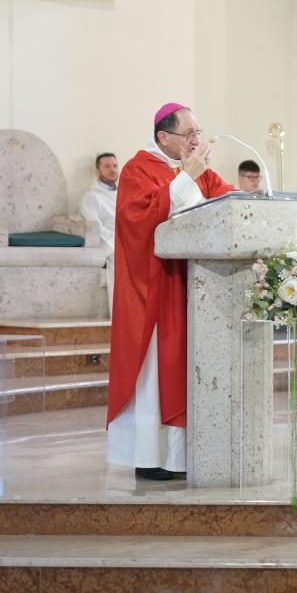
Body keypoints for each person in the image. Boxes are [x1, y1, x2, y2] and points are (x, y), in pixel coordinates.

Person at [106, 103, 236, 480]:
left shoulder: (193, 168)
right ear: (163, 137)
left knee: (182, 370)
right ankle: (149, 456)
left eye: (198, 133)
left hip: (192, 284)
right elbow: (140, 219)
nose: (196, 141)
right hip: (155, 287)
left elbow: (224, 198)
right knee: (155, 373)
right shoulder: (139, 168)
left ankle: (180, 457)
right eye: (188, 134)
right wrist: (188, 176)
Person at [79, 152, 118, 315]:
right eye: (107, 166)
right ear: (97, 171)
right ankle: (121, 316)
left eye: (115, 166)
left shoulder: (126, 193)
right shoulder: (91, 197)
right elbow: (95, 227)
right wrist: (118, 242)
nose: (112, 170)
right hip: (112, 245)